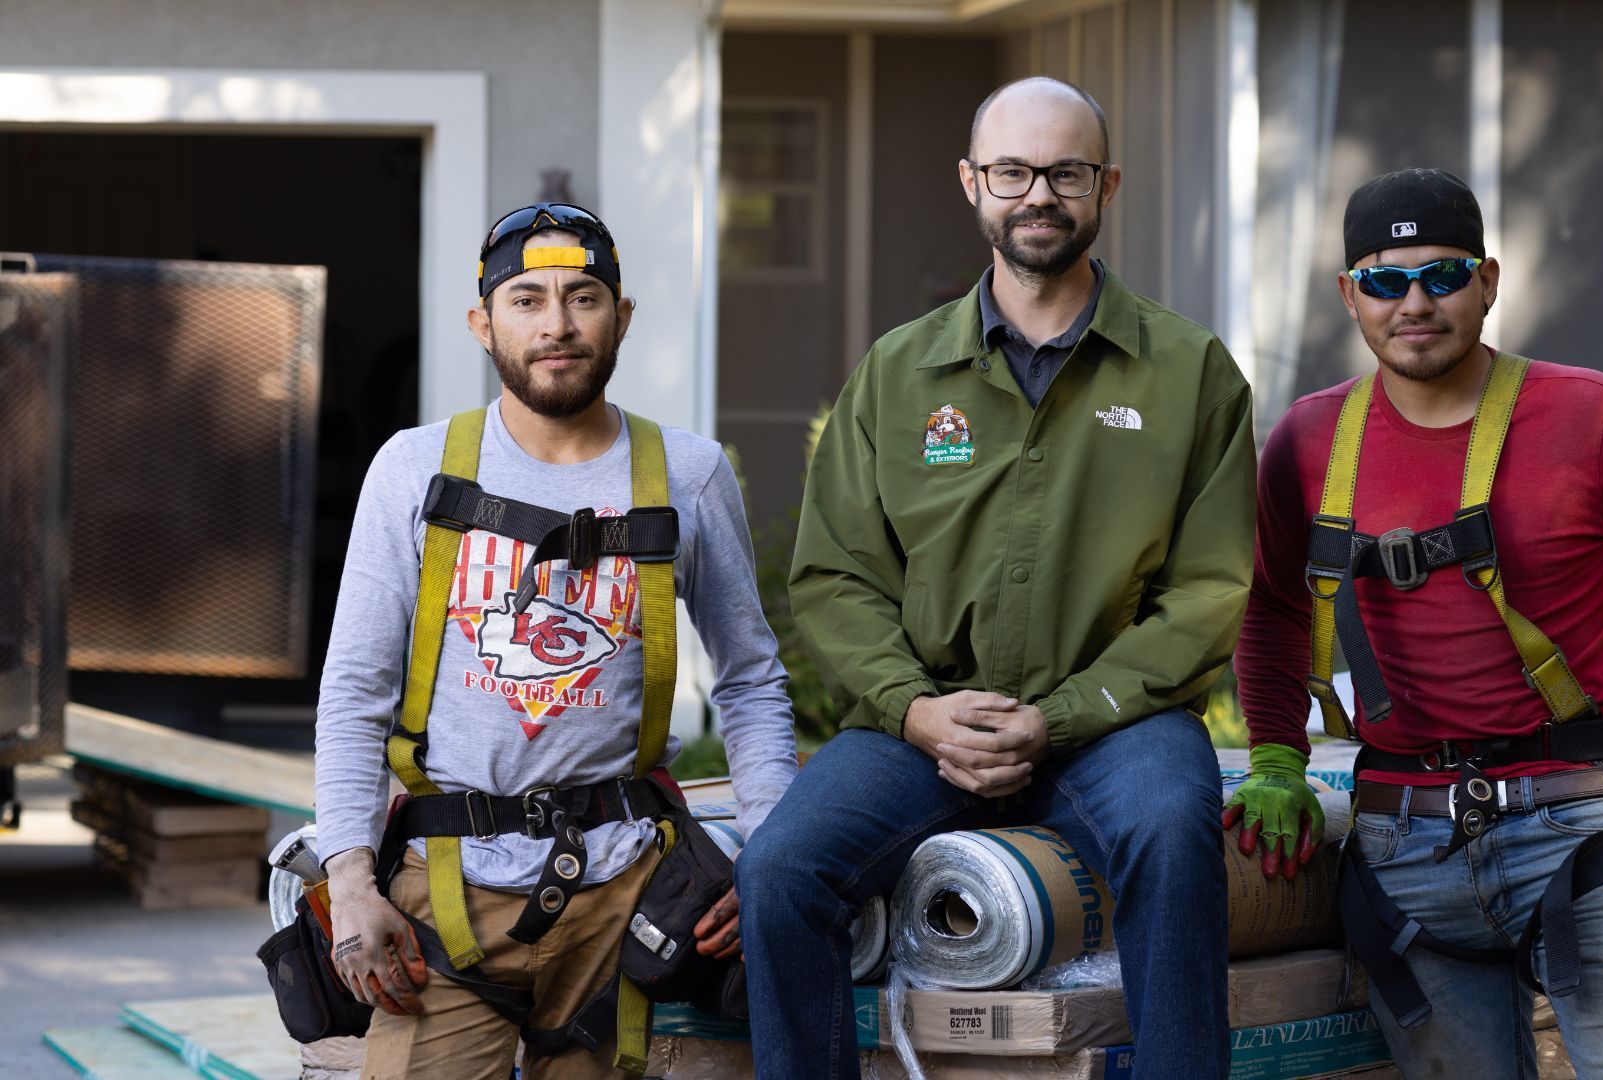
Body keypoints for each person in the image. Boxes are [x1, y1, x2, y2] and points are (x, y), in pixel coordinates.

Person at [733, 77, 1255, 1080]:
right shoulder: (898, 372)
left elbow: (1209, 590)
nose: (1038, 194)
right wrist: (914, 711)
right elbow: (836, 577)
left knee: (1174, 832)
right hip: (924, 725)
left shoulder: (1189, 373)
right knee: (780, 871)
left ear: (1106, 184)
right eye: (1012, 171)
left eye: (1064, 171)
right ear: (973, 183)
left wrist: (1056, 718)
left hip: (1115, 726)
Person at [1226, 167, 1603, 1077]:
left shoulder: (1594, 415)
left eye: (1443, 276)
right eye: (1385, 279)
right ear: (1347, 296)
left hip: (1584, 833)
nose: (1415, 302)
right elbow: (1273, 607)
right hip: (1402, 845)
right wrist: (1277, 759)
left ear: (1487, 280)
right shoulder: (1307, 441)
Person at [312, 203, 797, 1078]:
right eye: (527, 299)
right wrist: (348, 877)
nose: (558, 325)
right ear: (482, 322)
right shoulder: (414, 470)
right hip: (445, 895)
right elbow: (354, 690)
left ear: (623, 316)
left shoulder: (687, 474)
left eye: (584, 297)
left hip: (627, 902)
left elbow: (753, 681)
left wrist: (766, 859)